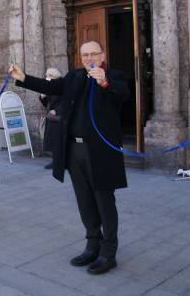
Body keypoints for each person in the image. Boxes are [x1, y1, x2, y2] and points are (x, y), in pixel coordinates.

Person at [9, 41, 129, 275]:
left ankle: (108, 252)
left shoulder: (114, 76)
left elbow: (122, 96)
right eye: (85, 54)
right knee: (84, 201)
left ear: (102, 55)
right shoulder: (74, 77)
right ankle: (92, 245)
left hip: (100, 153)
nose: (89, 58)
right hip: (75, 151)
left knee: (104, 202)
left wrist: (104, 81)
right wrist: (24, 77)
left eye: (94, 53)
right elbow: (51, 87)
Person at [40, 67, 63, 170]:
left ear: (54, 76)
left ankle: (58, 162)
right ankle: (55, 161)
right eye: (46, 75)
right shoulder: (51, 86)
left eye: (49, 75)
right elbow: (46, 103)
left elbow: (65, 101)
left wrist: (56, 110)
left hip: (59, 116)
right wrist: (42, 96)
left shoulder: (61, 85)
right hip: (51, 116)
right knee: (53, 140)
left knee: (58, 140)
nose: (47, 77)